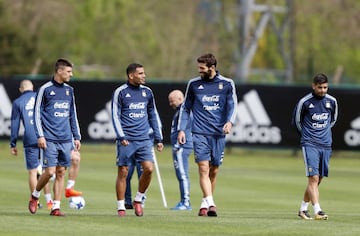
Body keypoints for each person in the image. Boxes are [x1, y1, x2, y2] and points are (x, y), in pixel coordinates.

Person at [177, 53, 237, 217]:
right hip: (199, 133)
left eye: (202, 68)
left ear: (212, 68)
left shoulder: (227, 84)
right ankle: (211, 204)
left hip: (218, 134)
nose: (199, 71)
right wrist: (182, 129)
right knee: (203, 168)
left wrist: (230, 122)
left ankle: (205, 202)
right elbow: (185, 108)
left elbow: (233, 106)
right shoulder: (194, 84)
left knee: (214, 170)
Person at [28, 58, 81, 216]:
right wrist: (40, 135)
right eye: (68, 72)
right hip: (49, 138)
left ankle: (56, 207)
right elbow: (36, 114)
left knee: (60, 172)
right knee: (49, 172)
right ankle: (35, 196)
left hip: (66, 139)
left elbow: (72, 115)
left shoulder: (69, 90)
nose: (71, 74)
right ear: (59, 71)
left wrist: (76, 136)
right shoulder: (45, 89)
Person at [111, 63, 164, 217]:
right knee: (123, 172)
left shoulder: (147, 92)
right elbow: (115, 115)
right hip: (126, 139)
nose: (144, 75)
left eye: (144, 73)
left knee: (149, 169)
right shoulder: (120, 92)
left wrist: (159, 137)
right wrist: (121, 136)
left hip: (144, 139)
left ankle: (139, 199)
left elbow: (153, 114)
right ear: (131, 75)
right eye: (140, 73)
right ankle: (121, 206)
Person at [292, 73, 338, 220]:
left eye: (325, 87)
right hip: (310, 143)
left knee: (318, 179)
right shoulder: (304, 102)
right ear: (313, 86)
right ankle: (318, 210)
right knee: (313, 178)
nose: (323, 90)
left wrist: (323, 133)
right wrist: (308, 135)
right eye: (320, 87)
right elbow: (297, 122)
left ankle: (303, 209)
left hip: (326, 144)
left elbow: (333, 120)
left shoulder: (332, 101)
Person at [10, 80, 53, 210]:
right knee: (46, 170)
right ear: (32, 87)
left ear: (21, 89)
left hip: (30, 138)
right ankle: (49, 201)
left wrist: (13, 143)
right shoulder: (40, 97)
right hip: (45, 137)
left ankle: (36, 201)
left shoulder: (18, 102)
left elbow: (15, 124)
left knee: (33, 172)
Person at [168, 89, 193, 210]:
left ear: (180, 99)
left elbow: (186, 128)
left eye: (172, 101)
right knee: (180, 174)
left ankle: (186, 202)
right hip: (179, 146)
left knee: (182, 174)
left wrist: (178, 145)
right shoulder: (179, 112)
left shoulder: (184, 111)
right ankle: (184, 201)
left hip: (182, 146)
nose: (170, 104)